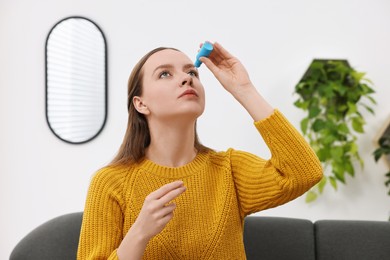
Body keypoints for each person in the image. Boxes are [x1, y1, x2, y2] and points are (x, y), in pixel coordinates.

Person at [77, 42, 323, 260]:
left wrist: (244, 89)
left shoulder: (229, 170)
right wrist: (139, 233)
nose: (186, 79)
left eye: (191, 71)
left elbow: (304, 172)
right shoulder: (110, 182)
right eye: (164, 74)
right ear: (141, 104)